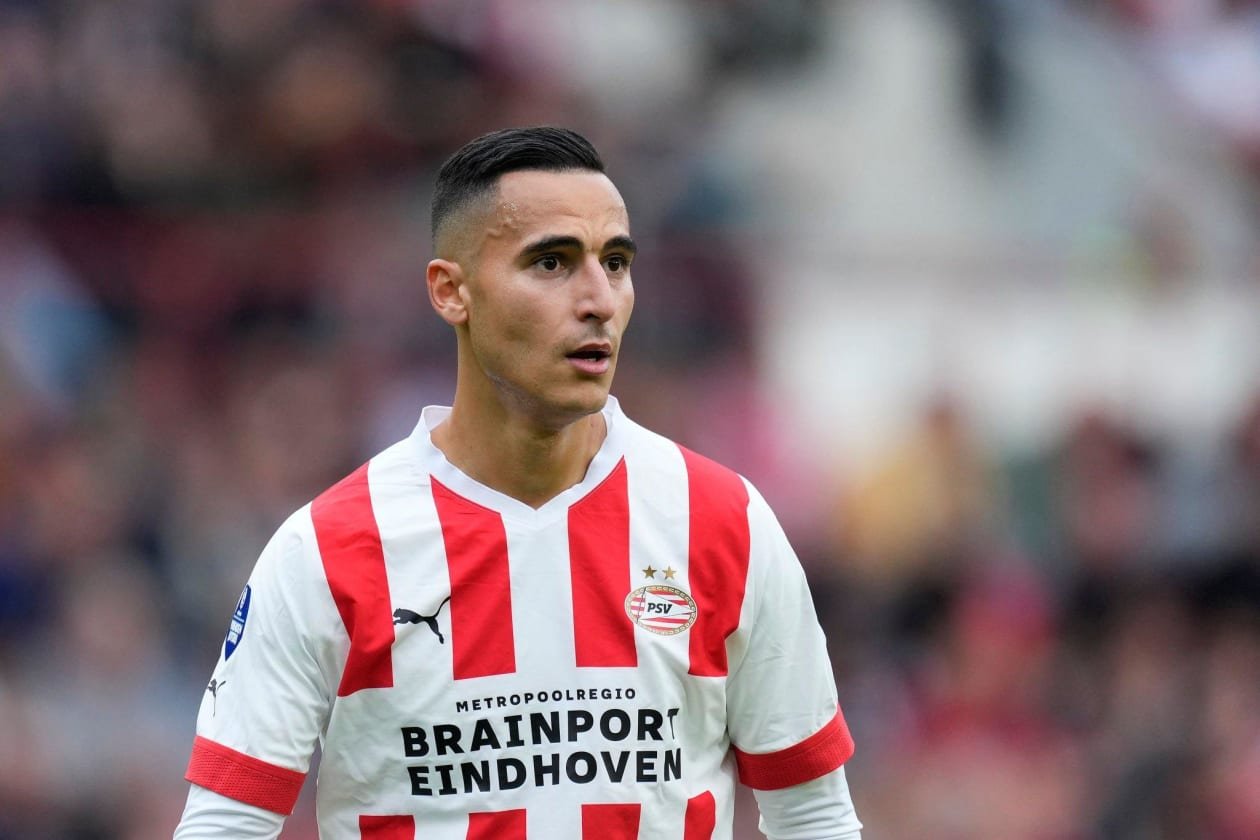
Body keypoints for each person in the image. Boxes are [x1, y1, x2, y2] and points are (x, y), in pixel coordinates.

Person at [172, 126, 862, 839]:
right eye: (552, 263)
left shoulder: (723, 521)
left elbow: (813, 815)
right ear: (451, 292)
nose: (599, 299)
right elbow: (226, 826)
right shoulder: (329, 547)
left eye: (615, 263)